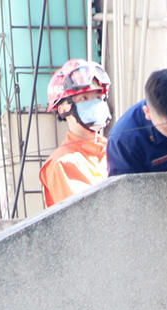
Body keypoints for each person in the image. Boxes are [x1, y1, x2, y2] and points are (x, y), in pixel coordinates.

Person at [39, 59, 112, 208]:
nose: (95, 103)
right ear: (63, 108)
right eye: (84, 98)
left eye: (98, 97)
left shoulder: (114, 149)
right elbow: (86, 215)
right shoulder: (62, 163)